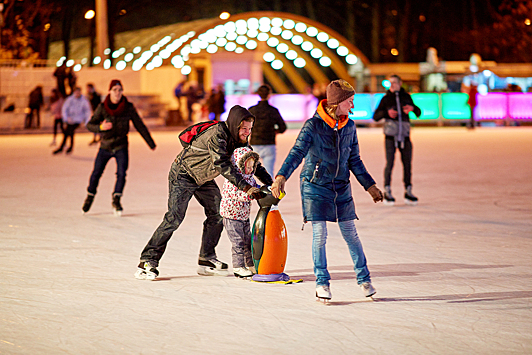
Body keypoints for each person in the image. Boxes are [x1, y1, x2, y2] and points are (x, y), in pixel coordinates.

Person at [271, 79, 384, 302]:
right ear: (338, 102)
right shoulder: (313, 126)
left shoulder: (349, 127)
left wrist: (369, 186)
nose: (352, 106)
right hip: (314, 185)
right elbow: (296, 153)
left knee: (351, 234)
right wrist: (281, 176)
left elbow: (355, 160)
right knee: (320, 234)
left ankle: (365, 279)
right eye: (350, 101)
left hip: (341, 186)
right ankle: (322, 283)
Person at [135, 105, 273, 280]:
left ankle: (206, 258)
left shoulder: (240, 141)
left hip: (203, 178)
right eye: (244, 128)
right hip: (184, 174)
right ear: (235, 125)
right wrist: (246, 187)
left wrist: (271, 183)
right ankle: (147, 261)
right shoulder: (218, 134)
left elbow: (253, 163)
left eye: (249, 129)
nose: (247, 132)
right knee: (174, 218)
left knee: (217, 214)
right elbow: (222, 164)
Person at [83, 80, 156, 215]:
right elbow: (89, 125)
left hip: (121, 145)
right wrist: (100, 127)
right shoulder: (103, 107)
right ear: (110, 91)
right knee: (96, 174)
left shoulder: (128, 107)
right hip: (105, 145)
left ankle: (116, 199)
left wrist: (150, 142)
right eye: (115, 90)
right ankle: (90, 195)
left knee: (121, 174)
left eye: (120, 90)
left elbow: (139, 124)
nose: (117, 93)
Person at [372, 74, 421, 206]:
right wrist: (386, 113)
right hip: (390, 136)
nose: (392, 85)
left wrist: (412, 109)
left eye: (394, 83)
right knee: (390, 163)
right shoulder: (386, 99)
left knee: (407, 164)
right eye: (390, 83)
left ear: (400, 83)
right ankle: (387, 190)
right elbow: (375, 116)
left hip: (405, 136)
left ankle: (408, 190)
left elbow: (418, 112)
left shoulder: (406, 97)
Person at [220, 146, 261, 278]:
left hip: (243, 215)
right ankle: (238, 267)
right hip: (231, 216)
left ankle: (251, 264)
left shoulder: (249, 178)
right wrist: (250, 195)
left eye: (252, 167)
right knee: (238, 242)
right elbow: (235, 194)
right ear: (239, 165)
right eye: (247, 167)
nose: (250, 170)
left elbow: (255, 186)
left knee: (248, 241)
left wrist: (263, 190)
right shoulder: (233, 179)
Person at [248, 84, 287, 176]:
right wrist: (275, 131)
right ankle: (269, 190)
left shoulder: (251, 110)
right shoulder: (273, 110)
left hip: (255, 143)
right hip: (269, 144)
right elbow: (283, 127)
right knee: (269, 174)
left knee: (250, 173)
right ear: (269, 94)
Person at [53, 87, 91, 155]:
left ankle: (64, 147)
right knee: (69, 132)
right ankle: (67, 147)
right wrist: (66, 118)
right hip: (70, 119)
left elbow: (87, 111)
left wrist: (86, 121)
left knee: (69, 132)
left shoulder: (84, 101)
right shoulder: (70, 100)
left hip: (78, 120)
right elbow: (65, 109)